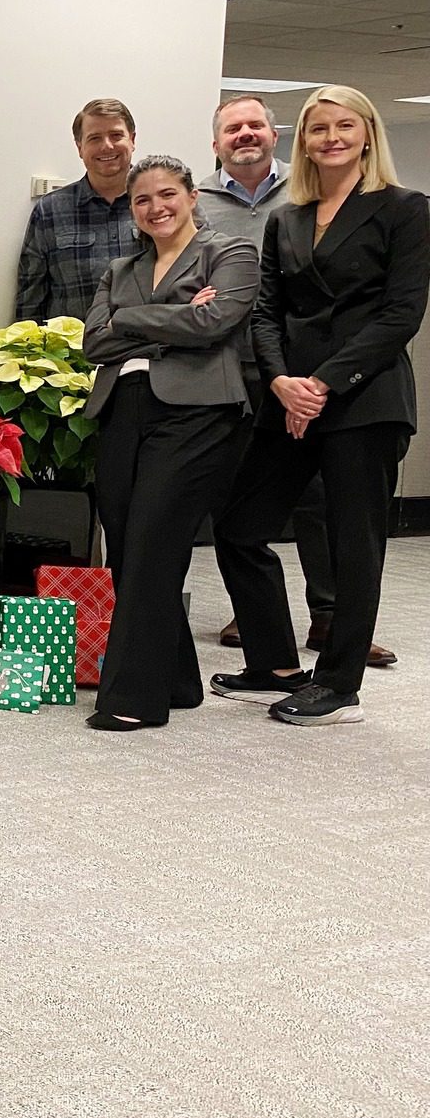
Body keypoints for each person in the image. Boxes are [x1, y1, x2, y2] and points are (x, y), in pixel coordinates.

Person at [210, 85, 430, 727]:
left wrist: (324, 383)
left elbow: (401, 314)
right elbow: (267, 311)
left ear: (367, 134)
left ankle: (340, 684)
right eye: (316, 128)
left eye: (344, 126)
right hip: (290, 396)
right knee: (240, 524)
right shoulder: (290, 217)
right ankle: (273, 663)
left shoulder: (406, 209)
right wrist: (282, 381)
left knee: (351, 546)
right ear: (301, 141)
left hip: (366, 397)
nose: (330, 138)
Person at [80, 157, 257, 731]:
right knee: (129, 546)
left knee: (154, 540)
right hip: (123, 411)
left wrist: (131, 323)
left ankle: (133, 697)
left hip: (198, 413)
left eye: (167, 194)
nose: (156, 207)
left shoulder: (229, 254)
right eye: (142, 200)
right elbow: (94, 343)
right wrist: (171, 315)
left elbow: (215, 325)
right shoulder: (120, 268)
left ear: (191, 197)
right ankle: (179, 678)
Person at [15, 97, 138, 323]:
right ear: (79, 147)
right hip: (73, 355)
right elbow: (30, 297)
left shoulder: (162, 206)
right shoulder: (51, 210)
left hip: (146, 352)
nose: (107, 146)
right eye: (94, 138)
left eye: (116, 135)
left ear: (132, 139)